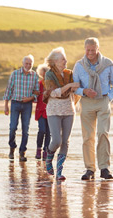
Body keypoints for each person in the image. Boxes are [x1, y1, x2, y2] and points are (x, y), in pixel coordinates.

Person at [73, 37, 113, 180]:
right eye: (88, 50)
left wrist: (109, 97)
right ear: (85, 49)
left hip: (103, 101)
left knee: (102, 133)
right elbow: (75, 87)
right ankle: (90, 169)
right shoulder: (79, 65)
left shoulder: (108, 64)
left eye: (93, 50)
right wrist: (84, 91)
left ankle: (104, 168)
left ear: (98, 49)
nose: (90, 53)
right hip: (86, 102)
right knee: (88, 137)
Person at [44, 47, 79, 180]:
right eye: (62, 59)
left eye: (65, 58)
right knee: (56, 140)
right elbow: (54, 93)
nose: (65, 61)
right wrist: (69, 86)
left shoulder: (69, 74)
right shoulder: (49, 75)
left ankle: (59, 172)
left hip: (69, 111)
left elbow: (76, 88)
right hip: (54, 111)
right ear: (55, 61)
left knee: (65, 141)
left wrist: (74, 86)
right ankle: (49, 158)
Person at [4, 54, 39, 162]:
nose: (28, 65)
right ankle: (12, 148)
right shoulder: (14, 74)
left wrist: (29, 99)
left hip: (27, 105)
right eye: (26, 63)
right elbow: (9, 90)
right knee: (13, 127)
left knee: (26, 130)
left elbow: (37, 92)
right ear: (23, 63)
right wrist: (6, 106)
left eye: (30, 64)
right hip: (15, 103)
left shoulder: (34, 76)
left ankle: (22, 152)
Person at [34, 64, 50, 161]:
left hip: (51, 111)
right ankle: (39, 149)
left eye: (46, 75)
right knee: (42, 130)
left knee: (49, 133)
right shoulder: (39, 84)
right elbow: (34, 97)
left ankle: (46, 151)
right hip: (40, 111)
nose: (45, 77)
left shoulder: (51, 85)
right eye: (43, 75)